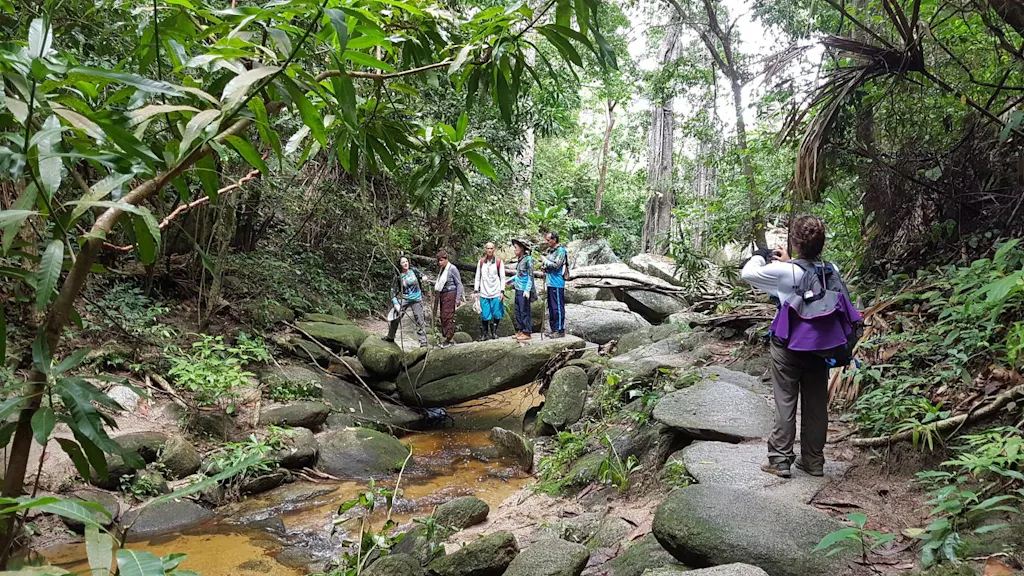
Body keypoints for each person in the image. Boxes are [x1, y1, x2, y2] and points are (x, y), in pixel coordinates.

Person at [740, 215, 861, 479]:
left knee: (785, 400)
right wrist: (790, 261)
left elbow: (748, 273)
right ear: (821, 244)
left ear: (794, 242)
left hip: (788, 346)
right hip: (820, 346)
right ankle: (813, 461)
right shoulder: (832, 270)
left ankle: (780, 459)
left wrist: (760, 255)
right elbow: (808, 276)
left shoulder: (785, 271)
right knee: (816, 403)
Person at [384, 256, 427, 348]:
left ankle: (423, 342)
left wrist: (424, 277)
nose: (405, 263)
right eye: (403, 262)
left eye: (406, 261)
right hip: (405, 299)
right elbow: (393, 291)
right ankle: (390, 336)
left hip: (417, 299)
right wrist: (396, 304)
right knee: (395, 317)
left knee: (419, 319)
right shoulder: (399, 276)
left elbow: (422, 275)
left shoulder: (414, 271)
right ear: (400, 265)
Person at [473, 242, 506, 340]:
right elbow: (477, 277)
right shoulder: (481, 262)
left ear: (494, 249)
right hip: (484, 292)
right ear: (485, 249)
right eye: (488, 248)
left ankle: (494, 333)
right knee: (484, 314)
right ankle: (484, 334)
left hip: (496, 292)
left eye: (491, 248)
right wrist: (476, 290)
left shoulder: (499, 262)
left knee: (497, 313)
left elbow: (503, 278)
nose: (490, 250)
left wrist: (502, 291)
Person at [434, 250, 465, 348]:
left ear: (446, 259)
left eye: (441, 260)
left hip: (450, 294)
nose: (440, 263)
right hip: (443, 295)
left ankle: (450, 339)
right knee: (443, 317)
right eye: (438, 261)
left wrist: (458, 298)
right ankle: (447, 337)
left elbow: (459, 284)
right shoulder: (442, 270)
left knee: (447, 316)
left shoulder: (452, 269)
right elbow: (440, 284)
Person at [541, 231, 568, 338]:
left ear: (554, 240)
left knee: (557, 307)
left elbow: (557, 265)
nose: (547, 242)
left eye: (548, 240)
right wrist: (545, 267)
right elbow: (549, 266)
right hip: (550, 282)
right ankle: (553, 329)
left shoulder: (561, 251)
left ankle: (560, 330)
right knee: (551, 307)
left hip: (557, 283)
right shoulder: (551, 251)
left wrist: (545, 261)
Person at [509, 238, 535, 341]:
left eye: (516, 248)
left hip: (524, 290)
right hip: (518, 289)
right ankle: (520, 330)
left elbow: (530, 276)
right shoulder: (520, 260)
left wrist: (527, 290)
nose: (514, 250)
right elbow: (518, 276)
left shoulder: (528, 260)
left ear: (522, 248)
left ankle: (527, 332)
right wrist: (506, 283)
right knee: (517, 310)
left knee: (524, 311)